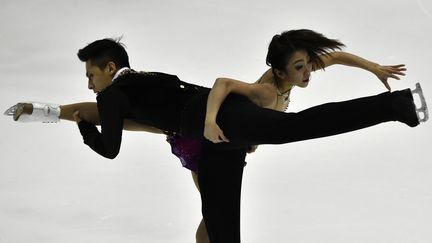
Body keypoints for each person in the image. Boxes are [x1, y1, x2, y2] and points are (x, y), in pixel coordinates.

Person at [4, 29, 428, 243]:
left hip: (224, 121)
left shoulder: (118, 95)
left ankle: (396, 105)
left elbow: (103, 123)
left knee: (295, 128)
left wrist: (69, 120)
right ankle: (396, 107)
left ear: (110, 69)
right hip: (214, 142)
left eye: (90, 74)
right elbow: (136, 122)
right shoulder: (142, 85)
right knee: (223, 230)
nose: (89, 83)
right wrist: (48, 112)